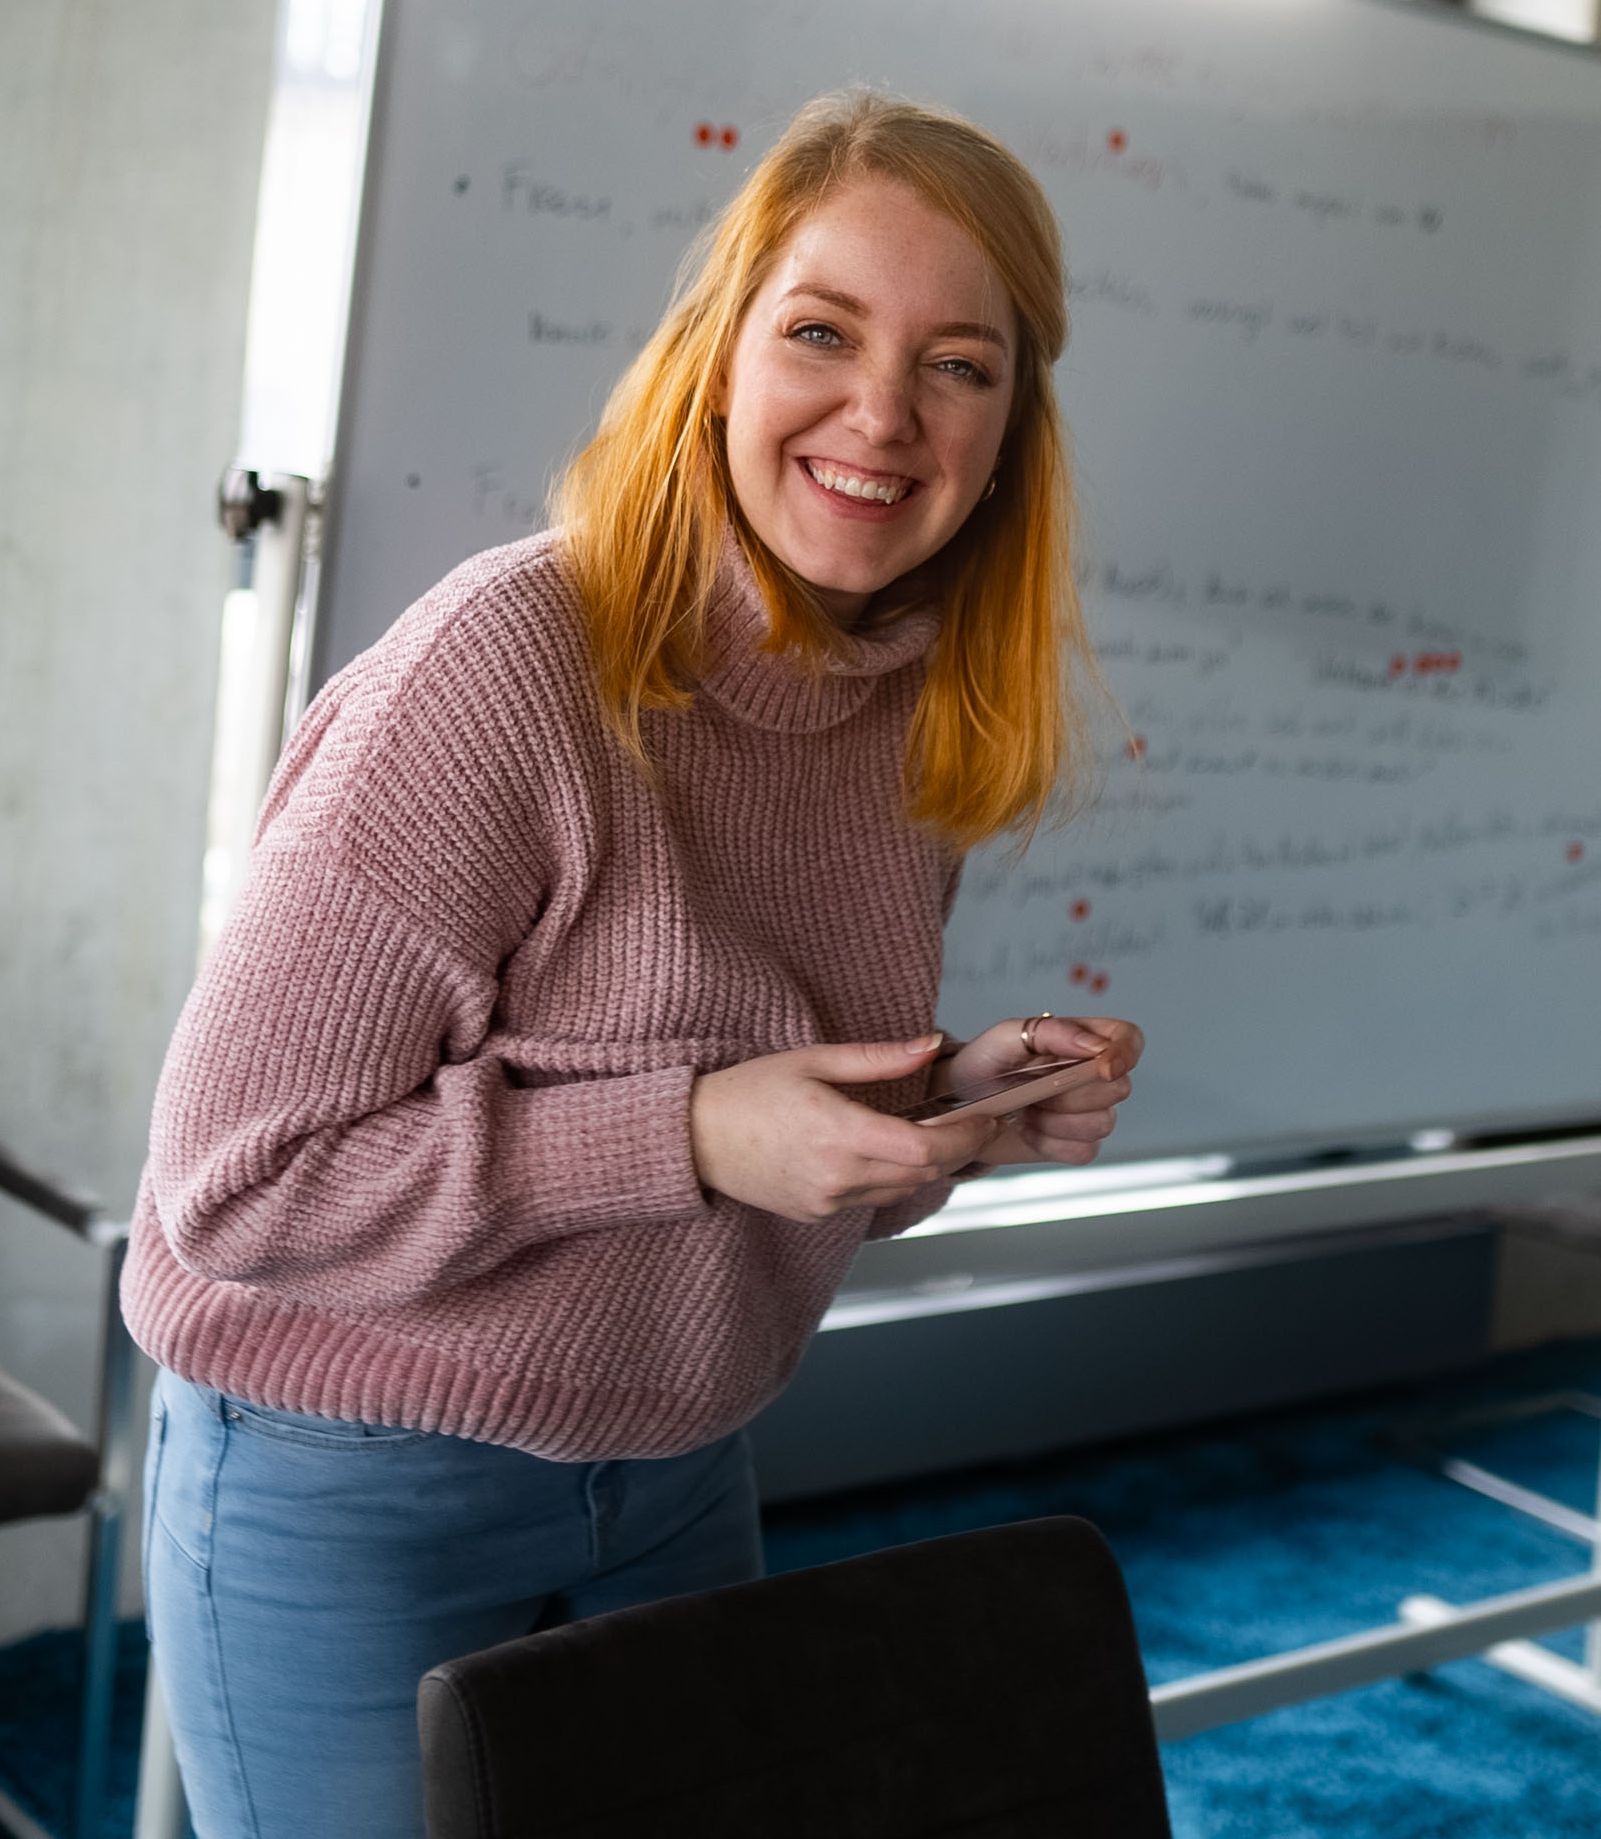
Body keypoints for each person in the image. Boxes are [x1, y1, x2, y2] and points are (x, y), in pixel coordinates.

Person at [126, 89, 1143, 1836]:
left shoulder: (912, 709)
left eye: (959, 364)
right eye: (823, 331)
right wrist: (687, 1134)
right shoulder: (509, 661)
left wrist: (933, 1113)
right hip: (350, 1469)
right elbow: (241, 1186)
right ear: (721, 357)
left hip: (681, 1458)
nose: (883, 415)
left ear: (1010, 428)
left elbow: (761, 1135)